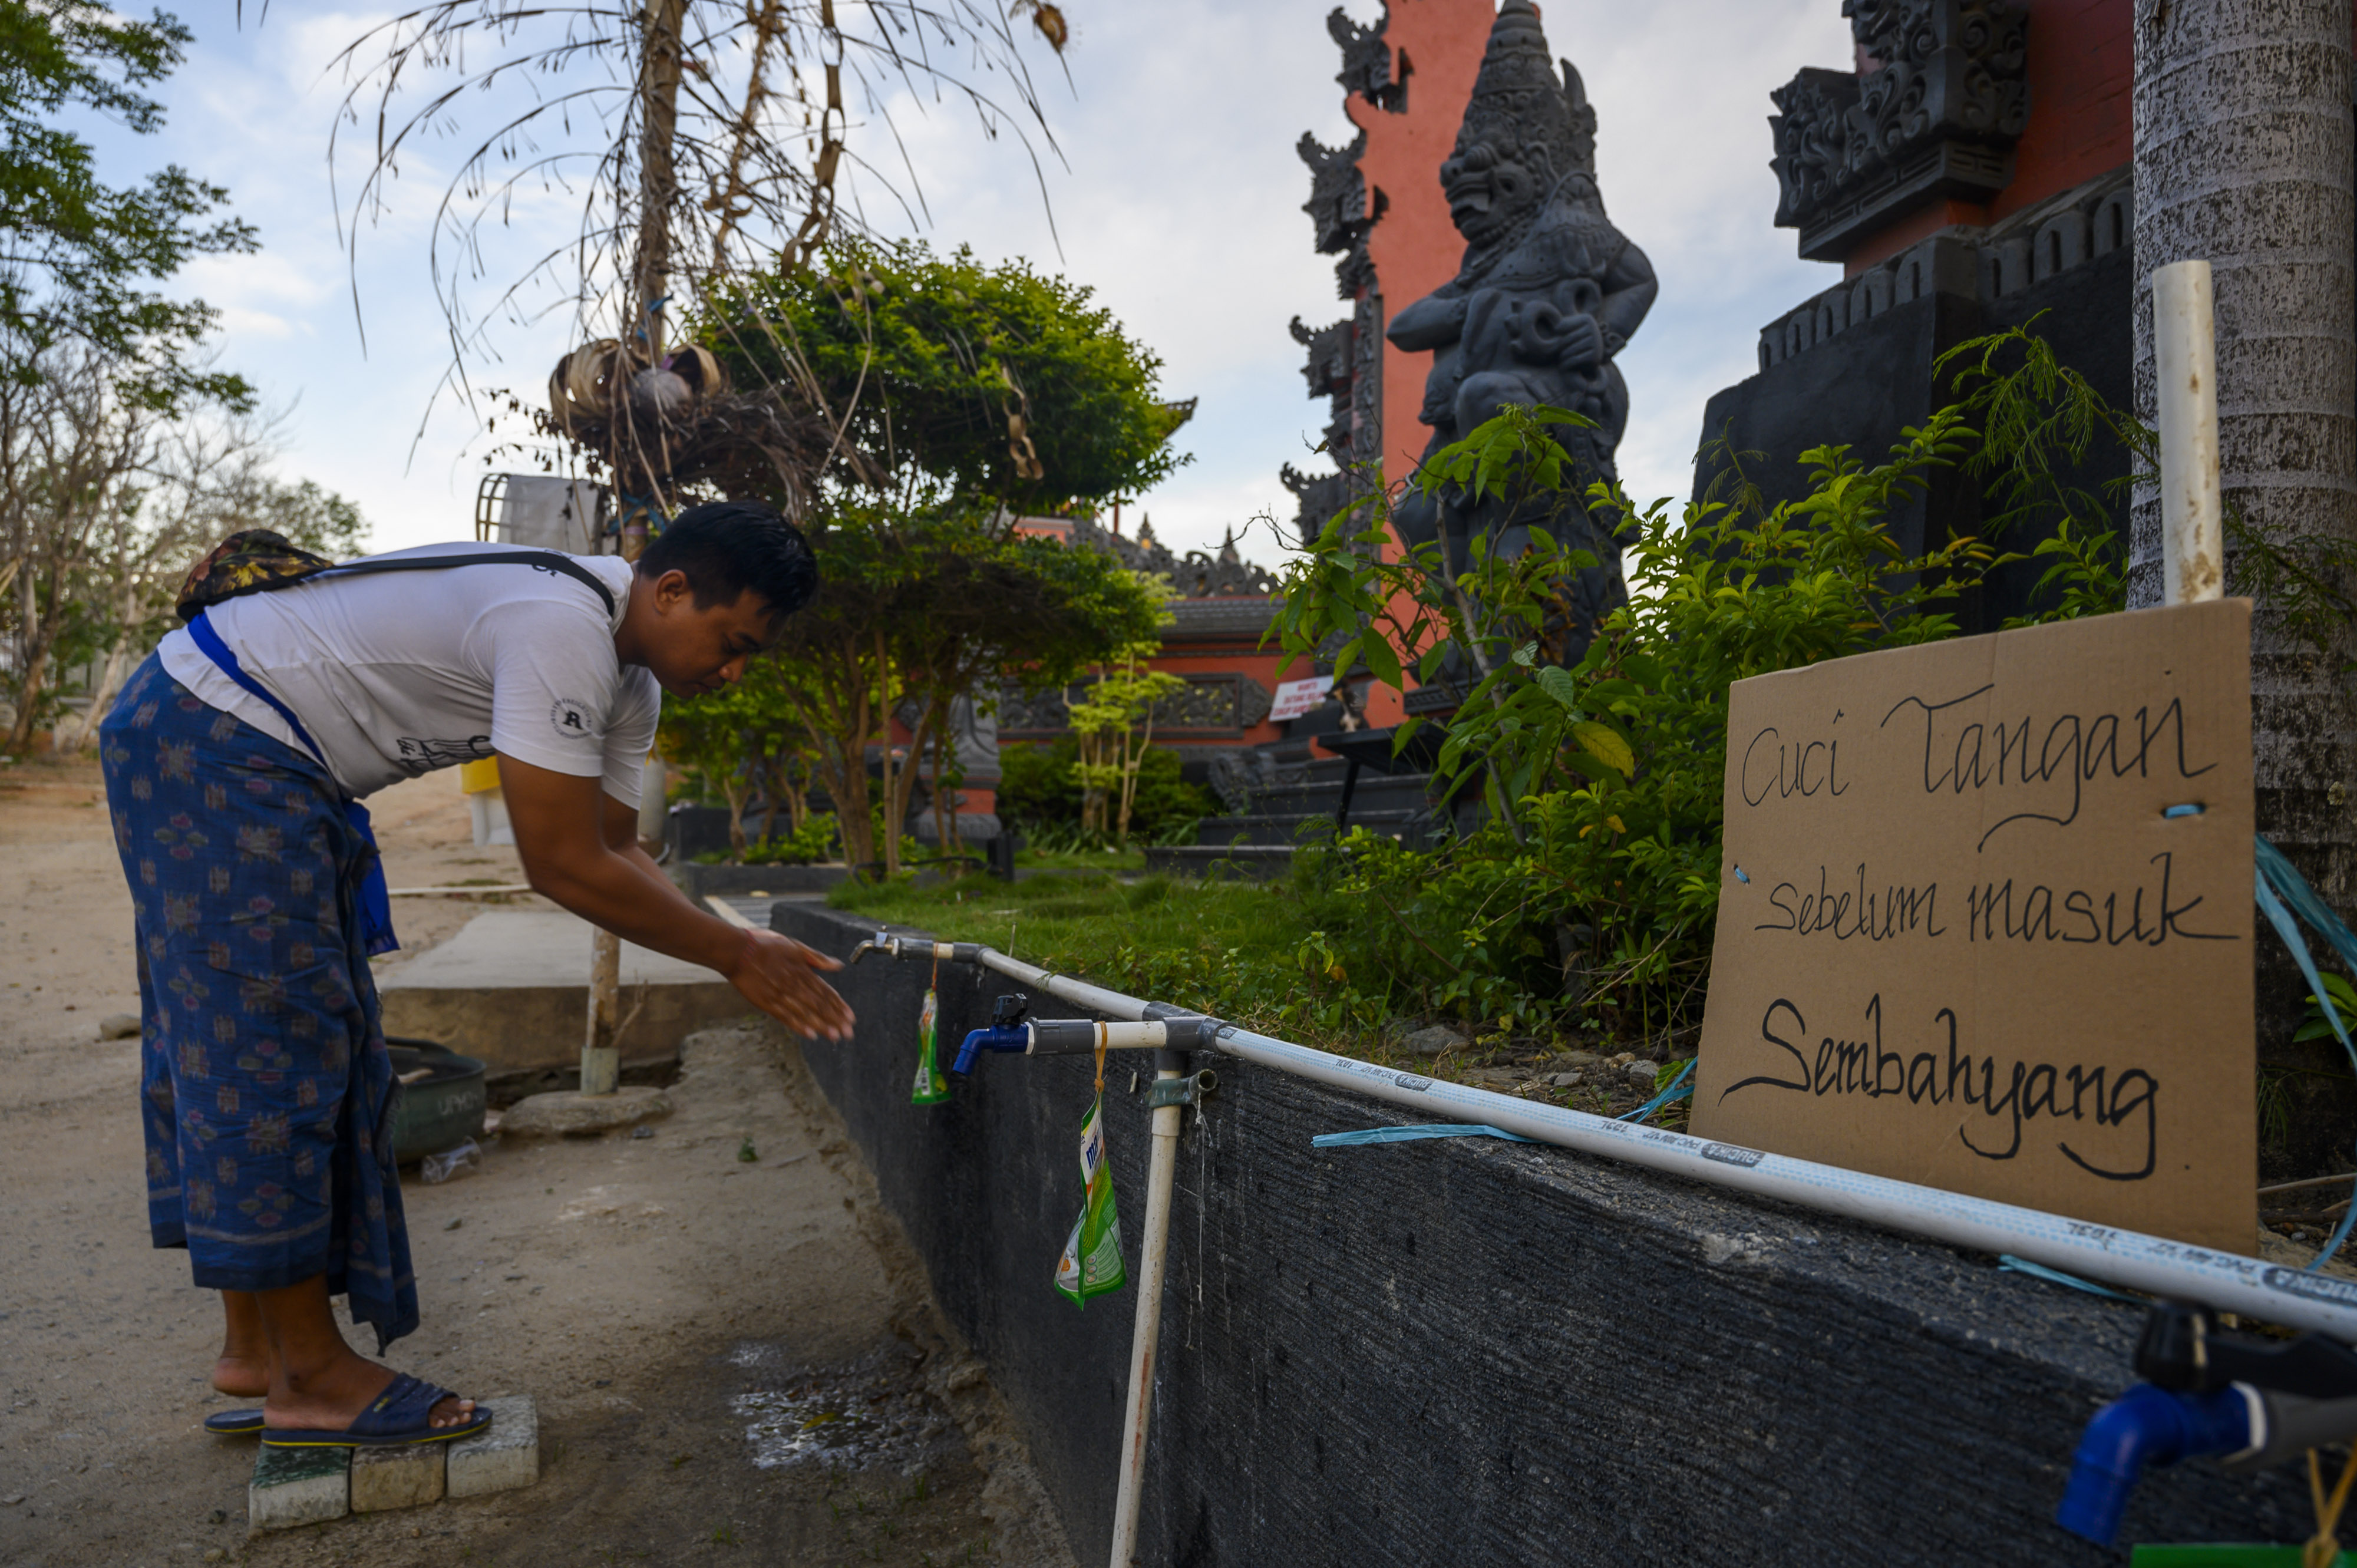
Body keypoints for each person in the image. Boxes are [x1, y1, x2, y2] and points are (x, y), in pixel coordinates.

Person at [95, 499, 855, 1449]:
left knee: (297, 1030)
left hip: (240, 741)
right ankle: (311, 1376)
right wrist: (736, 954)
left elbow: (617, 847)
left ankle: (260, 1350)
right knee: (266, 1042)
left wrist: (730, 943)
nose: (735, 671)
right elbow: (561, 863)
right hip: (211, 730)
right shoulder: (560, 625)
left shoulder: (630, 679)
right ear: (670, 590)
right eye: (733, 642)